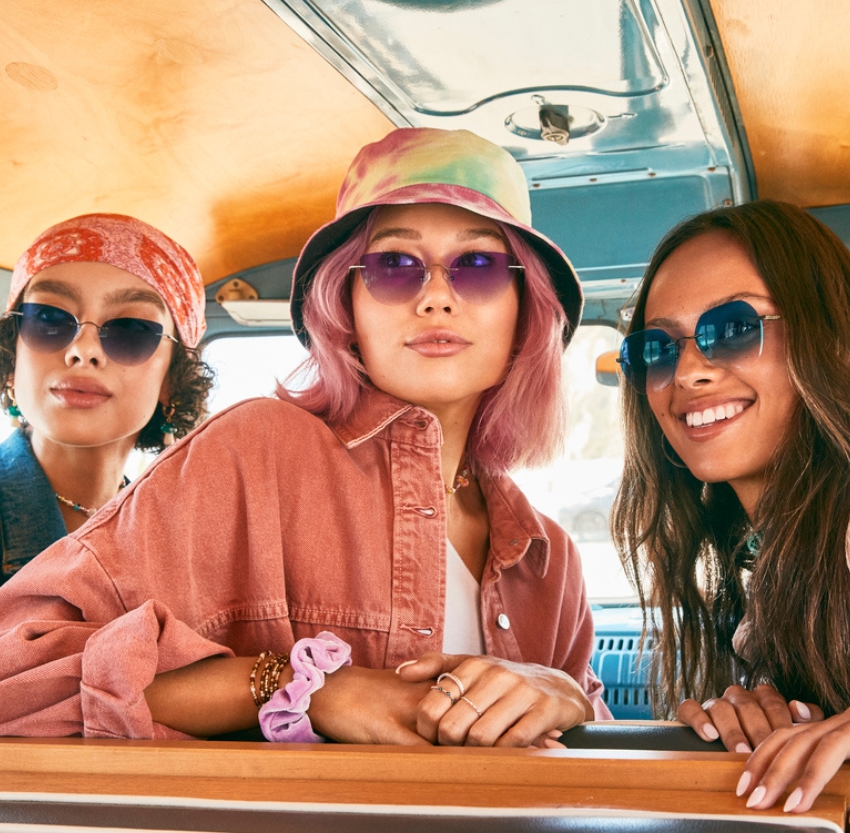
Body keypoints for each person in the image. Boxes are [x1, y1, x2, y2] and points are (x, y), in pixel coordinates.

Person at [0, 128, 608, 745]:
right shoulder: (252, 452)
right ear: (343, 305)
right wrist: (302, 688)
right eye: (394, 266)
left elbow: (598, 766)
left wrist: (570, 697)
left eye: (477, 266)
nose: (435, 298)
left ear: (525, 308)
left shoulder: (547, 556)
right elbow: (16, 681)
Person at [612, 199, 850, 814]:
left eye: (735, 328)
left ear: (831, 335)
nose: (689, 371)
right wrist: (757, 717)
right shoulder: (765, 559)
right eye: (656, 350)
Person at [0, 213, 213, 583]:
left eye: (130, 328)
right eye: (49, 317)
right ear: (11, 356)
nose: (83, 350)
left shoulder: (182, 550)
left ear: (172, 381)